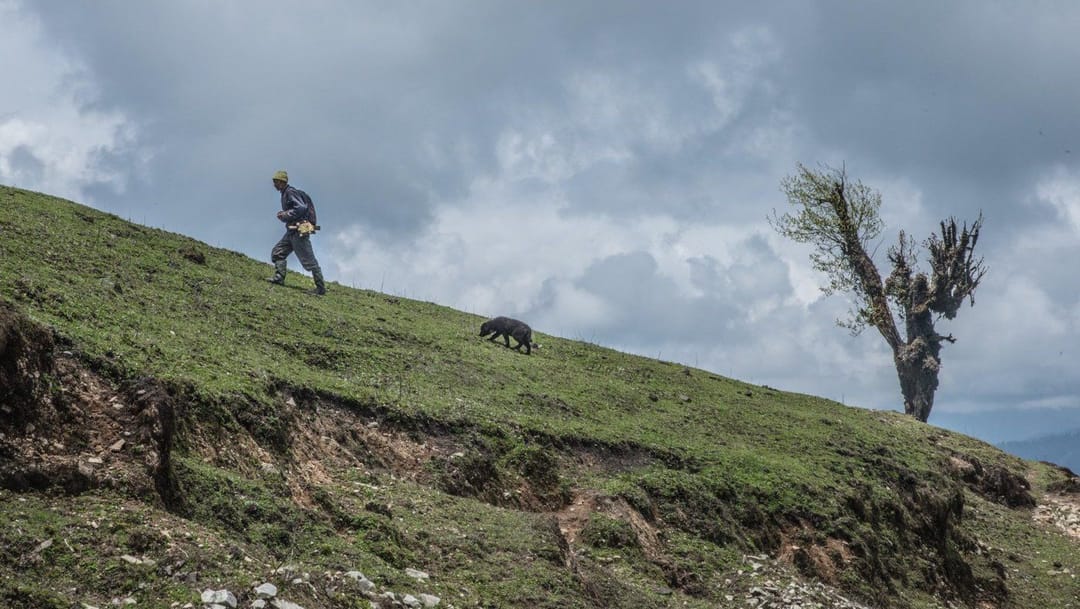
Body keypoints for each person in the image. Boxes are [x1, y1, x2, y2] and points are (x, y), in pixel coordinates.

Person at [267, 170, 326, 295]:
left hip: (300, 229)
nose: (274, 185)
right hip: (292, 230)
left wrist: (285, 214)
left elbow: (301, 207)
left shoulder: (290, 192)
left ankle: (320, 288)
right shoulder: (285, 193)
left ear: (282, 182)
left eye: (276, 182)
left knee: (309, 261)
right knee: (278, 252)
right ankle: (279, 278)